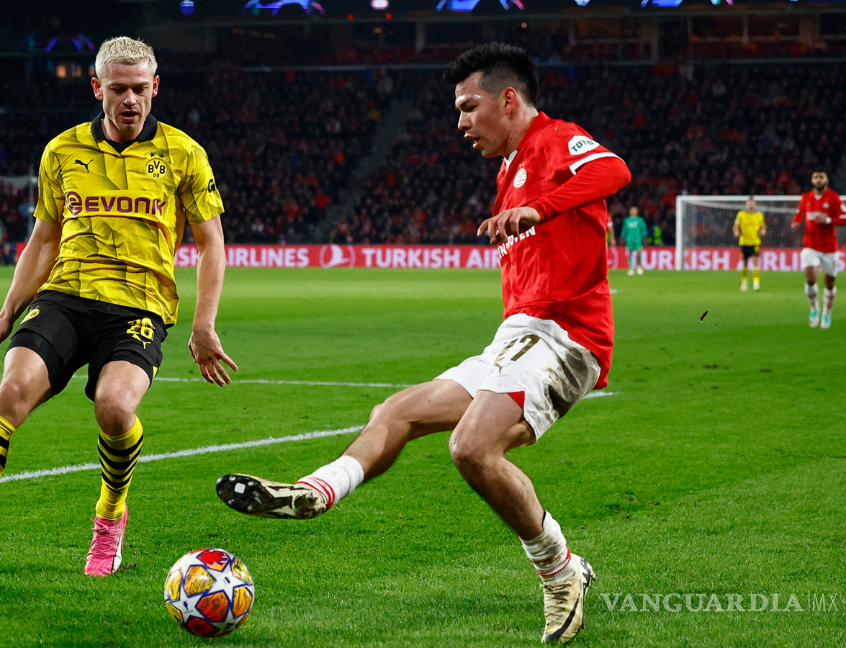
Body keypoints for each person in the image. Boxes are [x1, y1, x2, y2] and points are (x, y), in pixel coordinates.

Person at [217, 43, 631, 644]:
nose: (460, 122)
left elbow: (614, 172)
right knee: (397, 410)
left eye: (469, 107)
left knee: (472, 447)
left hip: (567, 336)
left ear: (508, 100)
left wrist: (539, 210)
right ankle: (318, 490)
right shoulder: (508, 169)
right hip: (517, 337)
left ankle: (559, 570)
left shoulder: (553, 138)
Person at [0, 37, 236, 576]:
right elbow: (44, 239)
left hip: (140, 305)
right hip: (66, 294)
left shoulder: (183, 153)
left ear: (155, 88)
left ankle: (109, 516)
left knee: (114, 408)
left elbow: (211, 243)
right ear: (96, 88)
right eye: (118, 89)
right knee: (9, 393)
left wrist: (203, 324)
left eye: (139, 88)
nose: (130, 99)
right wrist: (9, 308)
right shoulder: (62, 151)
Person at [791, 170, 846, 328]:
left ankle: (827, 314)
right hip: (810, 246)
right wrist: (795, 223)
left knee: (829, 283)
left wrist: (829, 220)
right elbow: (799, 214)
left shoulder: (834, 198)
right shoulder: (806, 198)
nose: (818, 180)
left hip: (829, 248)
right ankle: (814, 309)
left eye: (821, 177)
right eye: (815, 177)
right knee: (810, 278)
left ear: (826, 180)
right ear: (812, 180)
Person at [732, 196, 766, 291]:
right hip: (744, 241)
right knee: (745, 263)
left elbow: (763, 226)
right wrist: (736, 231)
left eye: (752, 203)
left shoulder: (759, 215)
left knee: (755, 262)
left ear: (755, 204)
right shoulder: (741, 214)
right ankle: (744, 282)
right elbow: (736, 225)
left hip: (755, 242)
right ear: (746, 205)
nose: (750, 205)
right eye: (749, 203)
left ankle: (756, 282)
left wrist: (763, 231)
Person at [622, 206, 646, 275]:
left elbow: (643, 229)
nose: (633, 212)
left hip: (638, 239)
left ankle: (638, 266)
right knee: (629, 253)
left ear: (637, 212)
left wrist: (644, 237)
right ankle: (631, 268)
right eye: (631, 210)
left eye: (634, 210)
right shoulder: (627, 220)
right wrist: (622, 237)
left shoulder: (640, 220)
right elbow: (624, 230)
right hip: (629, 239)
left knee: (639, 252)